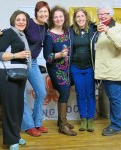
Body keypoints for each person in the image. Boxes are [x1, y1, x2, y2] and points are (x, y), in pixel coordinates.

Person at [0, 10, 31, 149]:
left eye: (24, 20)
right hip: (5, 74)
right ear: (13, 21)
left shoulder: (21, 35)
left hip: (19, 74)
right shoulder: (8, 33)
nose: (21, 22)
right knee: (10, 108)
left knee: (18, 107)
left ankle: (16, 135)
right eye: (18, 19)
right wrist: (17, 55)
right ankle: (11, 140)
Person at [93, 2, 121, 136]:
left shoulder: (118, 28)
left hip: (114, 72)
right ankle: (115, 124)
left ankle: (116, 126)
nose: (102, 16)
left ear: (111, 14)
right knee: (112, 98)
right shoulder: (99, 28)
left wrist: (108, 31)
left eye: (105, 13)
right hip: (104, 71)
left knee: (115, 99)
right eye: (100, 14)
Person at [43, 6, 77, 136]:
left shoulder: (68, 32)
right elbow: (47, 57)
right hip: (55, 69)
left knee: (66, 92)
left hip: (68, 69)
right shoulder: (49, 35)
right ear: (52, 19)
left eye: (61, 16)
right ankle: (62, 126)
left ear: (64, 17)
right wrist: (59, 55)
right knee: (64, 91)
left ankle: (61, 121)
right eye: (56, 16)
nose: (58, 19)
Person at [21, 1, 50, 136]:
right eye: (40, 11)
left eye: (45, 11)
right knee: (22, 96)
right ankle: (28, 125)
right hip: (19, 61)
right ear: (36, 12)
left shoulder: (46, 26)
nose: (43, 14)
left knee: (42, 92)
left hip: (32, 62)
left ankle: (37, 122)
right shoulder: (28, 22)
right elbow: (15, 31)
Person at [69, 8, 97, 132]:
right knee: (80, 93)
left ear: (86, 17)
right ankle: (83, 119)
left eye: (82, 16)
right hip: (76, 67)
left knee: (90, 93)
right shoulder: (70, 31)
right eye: (78, 17)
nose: (80, 19)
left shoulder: (93, 29)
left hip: (90, 67)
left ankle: (90, 118)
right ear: (75, 19)